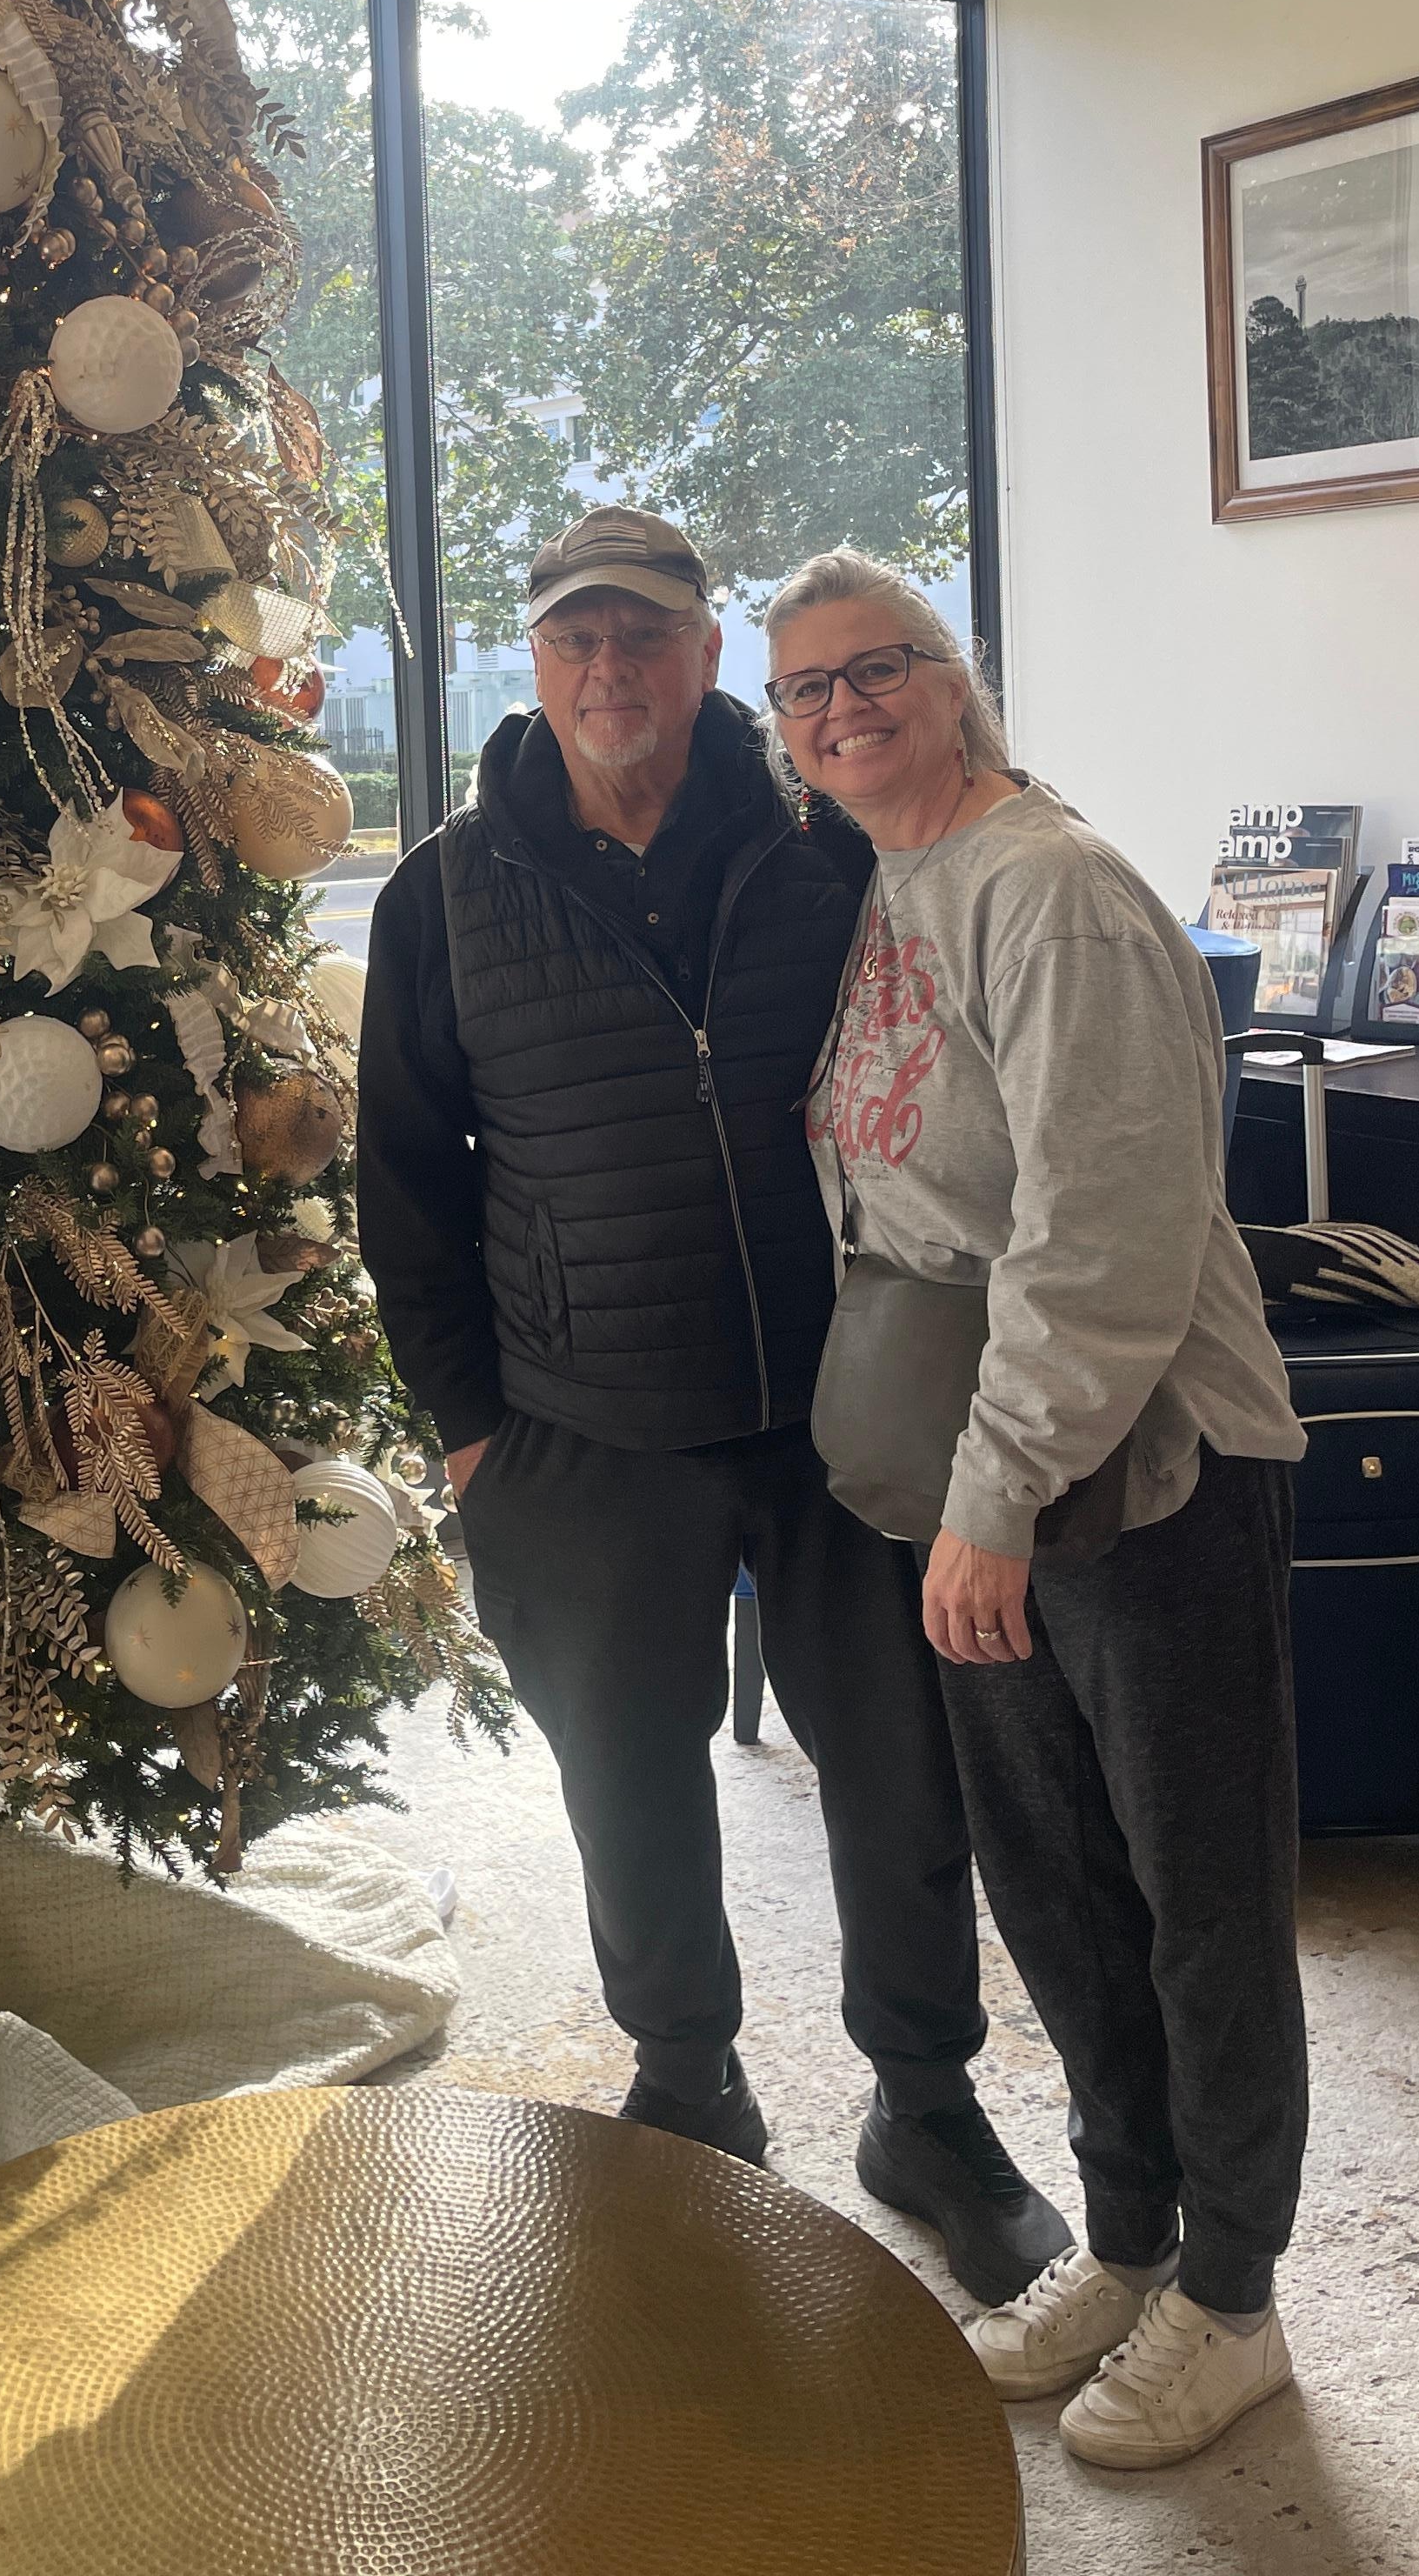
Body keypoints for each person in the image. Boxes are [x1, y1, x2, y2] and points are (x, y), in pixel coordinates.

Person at [358, 506, 1069, 2307]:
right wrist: (468, 1437)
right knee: (631, 1786)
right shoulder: (440, 893)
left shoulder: (834, 849)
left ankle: (927, 2106)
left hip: (844, 1424)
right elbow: (404, 1189)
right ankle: (690, 2084)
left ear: (704, 659)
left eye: (647, 635)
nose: (611, 670)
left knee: (904, 1780)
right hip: (580, 1432)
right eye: (577, 636)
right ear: (537, 660)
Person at [766, 547, 1309, 2474]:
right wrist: (954, 1491)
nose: (842, 708)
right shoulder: (903, 881)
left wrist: (991, 1497)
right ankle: (1136, 2234)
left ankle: (1231, 2298)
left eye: (876, 668)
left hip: (1131, 1470)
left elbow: (1102, 1241)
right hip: (979, 1476)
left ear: (956, 682)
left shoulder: (1052, 894)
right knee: (1058, 1883)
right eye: (805, 690)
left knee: (1194, 1892)